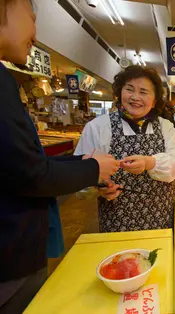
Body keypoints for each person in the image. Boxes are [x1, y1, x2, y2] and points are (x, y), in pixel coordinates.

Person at [0, 1, 120, 312]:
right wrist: (93, 168)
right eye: (32, 18)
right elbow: (30, 174)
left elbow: (19, 165)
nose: (35, 34)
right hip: (9, 256)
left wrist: (83, 165)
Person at [75, 65, 175, 232]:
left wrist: (150, 162)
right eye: (129, 89)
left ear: (154, 100)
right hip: (117, 216)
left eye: (143, 92)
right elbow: (79, 175)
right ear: (119, 93)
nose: (135, 97)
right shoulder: (98, 127)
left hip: (161, 213)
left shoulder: (165, 127)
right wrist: (99, 188)